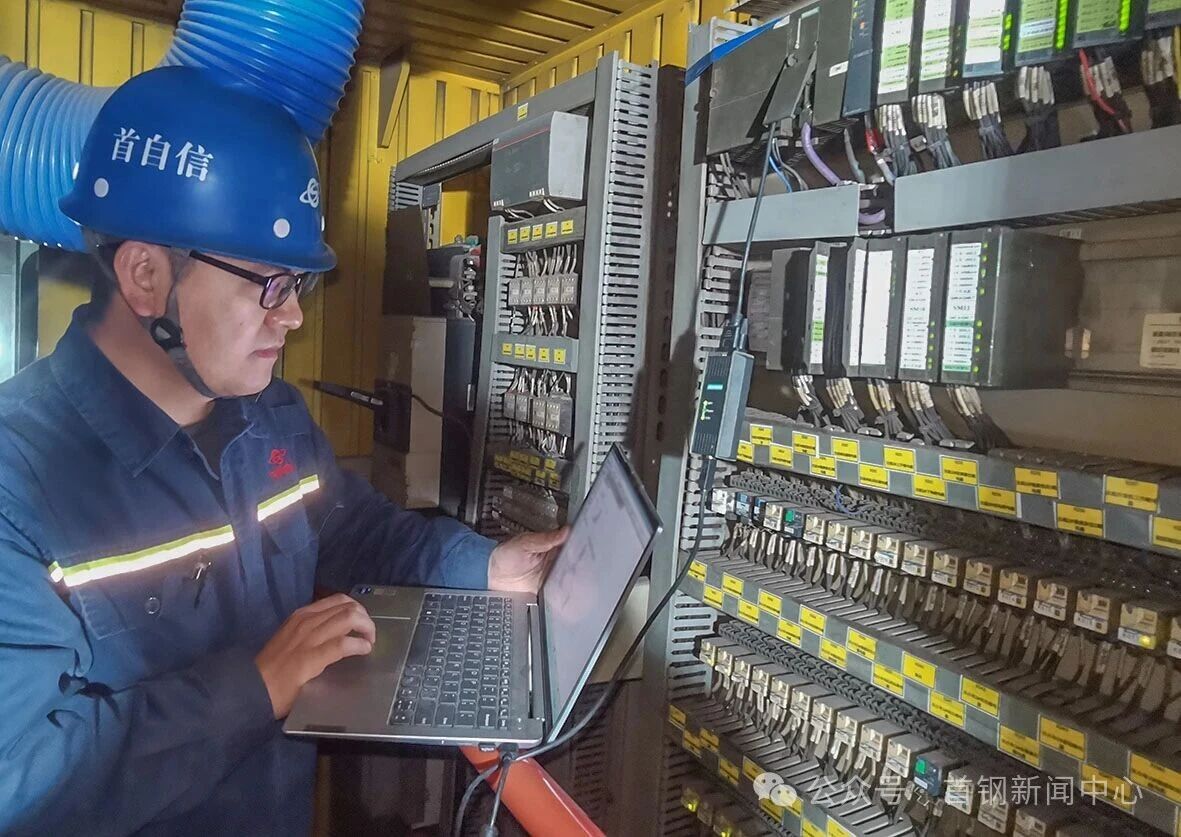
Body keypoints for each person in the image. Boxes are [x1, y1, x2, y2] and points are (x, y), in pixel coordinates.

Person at [0, 66, 567, 836]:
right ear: (145, 274)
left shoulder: (270, 417)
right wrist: (258, 685)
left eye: (298, 284)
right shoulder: (19, 483)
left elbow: (347, 527)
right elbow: (22, 781)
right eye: (269, 284)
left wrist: (487, 566)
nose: (293, 316)